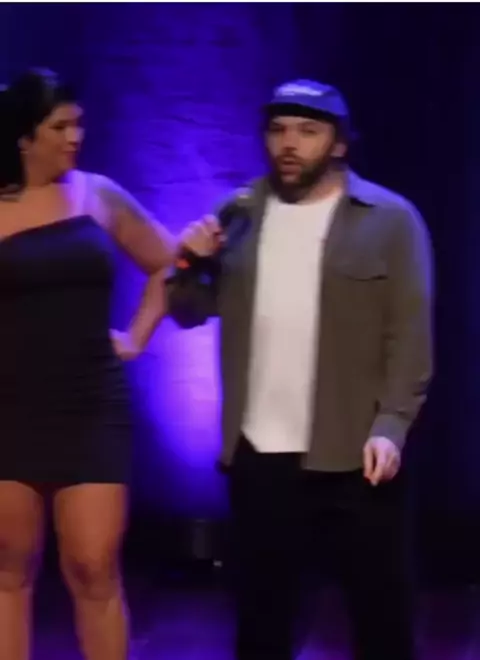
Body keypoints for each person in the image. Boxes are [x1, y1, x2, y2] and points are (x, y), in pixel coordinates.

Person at [168, 79, 434, 660]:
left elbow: (410, 337)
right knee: (262, 624)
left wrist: (391, 425)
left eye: (308, 131)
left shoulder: (390, 220)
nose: (289, 144)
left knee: (381, 622)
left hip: (355, 457)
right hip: (261, 457)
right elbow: (187, 313)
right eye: (278, 130)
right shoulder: (239, 213)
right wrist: (190, 263)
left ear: (339, 143)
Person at [0, 68, 174, 660]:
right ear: (24, 136)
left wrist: (136, 337)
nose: (75, 137)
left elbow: (166, 263)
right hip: (10, 405)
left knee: (93, 565)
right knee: (9, 569)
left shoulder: (97, 193)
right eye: (60, 127)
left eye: (79, 124)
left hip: (90, 403)